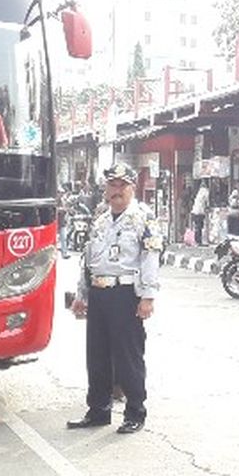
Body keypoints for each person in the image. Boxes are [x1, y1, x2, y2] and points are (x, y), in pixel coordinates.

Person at [67, 162, 162, 434]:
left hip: (125, 294)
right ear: (106, 188)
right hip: (98, 292)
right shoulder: (100, 217)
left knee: (127, 356)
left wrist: (148, 297)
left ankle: (135, 412)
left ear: (133, 187)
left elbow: (150, 257)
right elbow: (87, 259)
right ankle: (98, 410)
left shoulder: (144, 218)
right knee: (96, 355)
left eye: (122, 185)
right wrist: (81, 294)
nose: (117, 190)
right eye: (112, 185)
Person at [190, 180, 209, 245]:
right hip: (200, 211)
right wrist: (207, 207)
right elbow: (207, 202)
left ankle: (196, 240)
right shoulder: (206, 191)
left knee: (197, 227)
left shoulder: (199, 191)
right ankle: (198, 241)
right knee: (199, 227)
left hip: (194, 211)